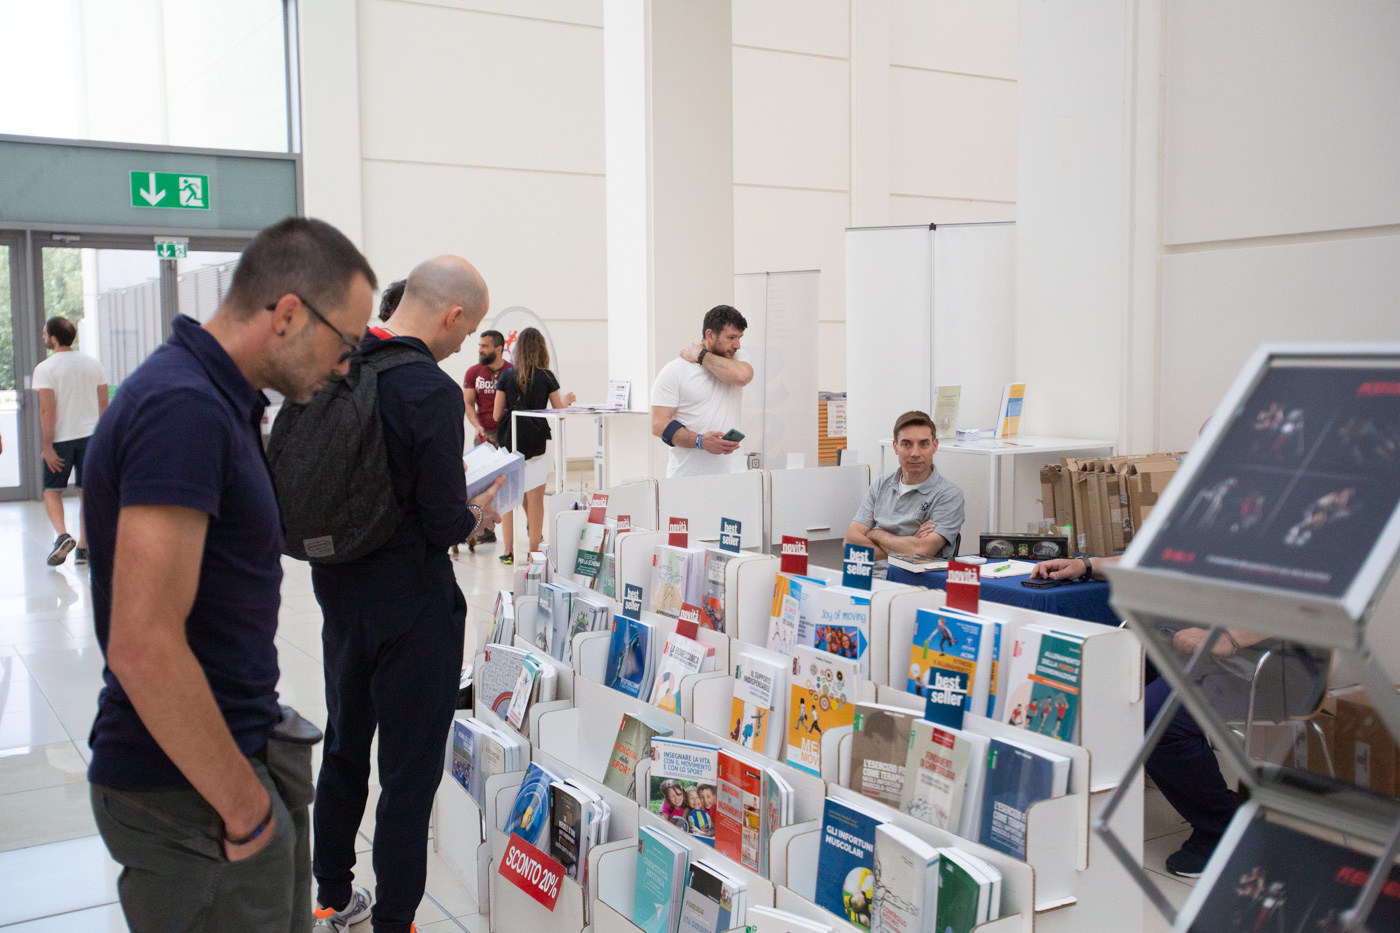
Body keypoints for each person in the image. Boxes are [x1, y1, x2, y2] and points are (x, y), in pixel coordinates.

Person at [83, 216, 376, 933]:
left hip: (223, 764)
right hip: (191, 793)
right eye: (345, 343)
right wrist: (244, 807)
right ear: (288, 314)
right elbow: (144, 644)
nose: (346, 367)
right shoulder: (182, 408)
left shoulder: (215, 399)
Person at [310, 255, 504, 933]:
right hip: (412, 604)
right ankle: (395, 919)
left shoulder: (334, 365)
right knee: (408, 771)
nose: (461, 345)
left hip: (339, 591)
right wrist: (479, 511)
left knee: (344, 744)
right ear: (453, 315)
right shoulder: (429, 388)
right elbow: (443, 517)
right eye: (467, 331)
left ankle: (332, 893)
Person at [1032, 554, 1247, 877]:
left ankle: (1222, 825)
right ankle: (1074, 809)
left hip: (1257, 660)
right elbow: (1163, 557)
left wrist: (1231, 637)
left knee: (1157, 719)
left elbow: (1308, 602)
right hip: (1188, 644)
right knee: (1094, 681)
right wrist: (1088, 565)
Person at [845, 410, 965, 578]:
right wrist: (907, 547)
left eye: (923, 444)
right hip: (862, 578)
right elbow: (850, 542)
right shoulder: (880, 485)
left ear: (934, 446)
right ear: (896, 447)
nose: (915, 453)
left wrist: (876, 533)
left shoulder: (949, 495)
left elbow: (921, 550)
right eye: (907, 444)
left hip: (909, 583)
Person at [493, 327, 574, 564]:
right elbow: (559, 412)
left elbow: (496, 415)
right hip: (537, 446)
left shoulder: (506, 376)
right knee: (536, 501)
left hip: (510, 445)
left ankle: (508, 552)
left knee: (509, 500)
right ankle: (533, 552)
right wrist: (567, 401)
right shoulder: (546, 376)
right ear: (541, 349)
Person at [32, 316, 108, 566]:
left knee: (52, 491)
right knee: (86, 492)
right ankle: (83, 549)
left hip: (61, 441)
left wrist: (47, 447)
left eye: (45, 334)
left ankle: (63, 535)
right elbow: (104, 407)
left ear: (54, 339)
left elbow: (47, 411)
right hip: (92, 438)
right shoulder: (93, 364)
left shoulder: (45, 368)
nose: (44, 337)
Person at [649, 304, 753, 477]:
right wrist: (700, 441)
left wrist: (701, 355)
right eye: (731, 337)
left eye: (739, 338)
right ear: (710, 335)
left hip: (734, 475)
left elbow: (742, 376)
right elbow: (658, 425)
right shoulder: (675, 370)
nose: (737, 345)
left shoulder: (738, 359)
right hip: (688, 478)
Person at [460, 330, 510, 550]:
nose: (480, 350)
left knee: (507, 481)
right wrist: (477, 426)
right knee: (481, 484)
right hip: (483, 436)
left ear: (498, 349)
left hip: (506, 434)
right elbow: (468, 403)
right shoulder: (473, 372)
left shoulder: (511, 371)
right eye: (479, 346)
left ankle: (524, 526)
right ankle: (484, 530)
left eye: (485, 346)